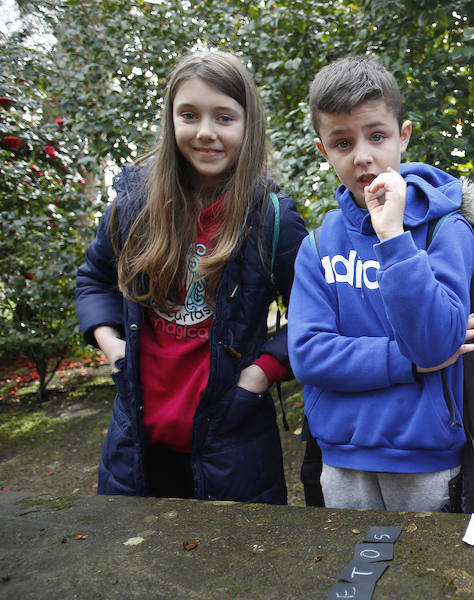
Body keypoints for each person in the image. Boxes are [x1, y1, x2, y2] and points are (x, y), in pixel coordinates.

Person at [75, 50, 307, 504]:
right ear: (171, 120)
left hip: (232, 440)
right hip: (136, 442)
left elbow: (315, 311)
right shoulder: (134, 206)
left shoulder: (270, 217)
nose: (206, 132)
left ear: (248, 124)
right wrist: (114, 348)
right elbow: (94, 279)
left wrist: (260, 375)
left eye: (224, 117)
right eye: (189, 115)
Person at [287, 56, 474, 512]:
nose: (362, 156)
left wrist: (394, 238)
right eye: (342, 142)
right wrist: (412, 363)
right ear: (324, 151)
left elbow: (436, 342)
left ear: (404, 135)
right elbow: (309, 355)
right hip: (341, 459)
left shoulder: (444, 229)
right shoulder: (318, 246)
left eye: (377, 136)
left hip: (427, 459)